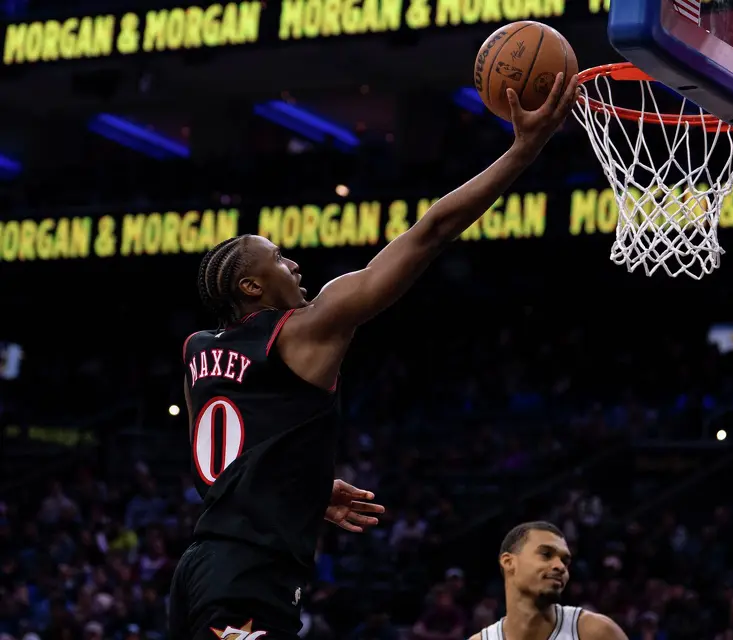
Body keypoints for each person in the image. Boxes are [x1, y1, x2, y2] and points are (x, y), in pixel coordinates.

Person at [169, 73, 580, 640]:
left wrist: (305, 487)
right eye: (278, 259)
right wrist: (522, 150)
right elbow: (430, 232)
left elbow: (214, 474)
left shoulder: (196, 351)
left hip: (198, 567)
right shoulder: (304, 330)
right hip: (249, 573)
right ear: (251, 289)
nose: (294, 266)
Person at [472, 521, 628, 640]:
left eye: (565, 561)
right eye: (546, 554)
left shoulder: (596, 632)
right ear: (508, 562)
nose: (560, 567)